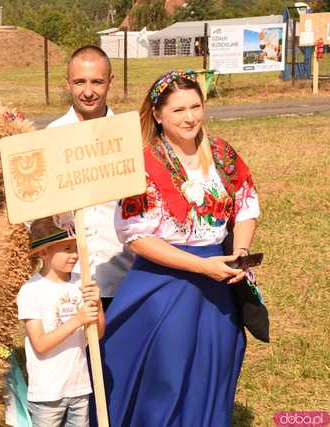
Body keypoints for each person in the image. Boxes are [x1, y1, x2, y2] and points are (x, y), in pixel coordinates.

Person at [101, 71, 260, 426]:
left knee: (215, 368)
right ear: (157, 114)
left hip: (220, 279)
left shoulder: (220, 153)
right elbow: (136, 235)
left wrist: (241, 252)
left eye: (196, 106)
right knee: (167, 375)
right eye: (178, 110)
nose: (190, 117)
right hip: (164, 284)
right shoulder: (142, 164)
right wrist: (202, 267)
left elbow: (246, 202)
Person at [47, 45, 134, 310]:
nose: (88, 91)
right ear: (67, 83)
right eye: (79, 82)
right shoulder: (51, 136)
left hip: (123, 275)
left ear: (110, 81)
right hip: (70, 281)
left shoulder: (128, 135)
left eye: (97, 81)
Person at [17, 216, 105, 427]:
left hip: (79, 386)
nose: (74, 255)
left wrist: (98, 306)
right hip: (48, 393)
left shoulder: (81, 284)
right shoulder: (31, 291)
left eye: (76, 247)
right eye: (66, 248)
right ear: (44, 252)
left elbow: (98, 333)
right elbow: (40, 344)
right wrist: (77, 320)